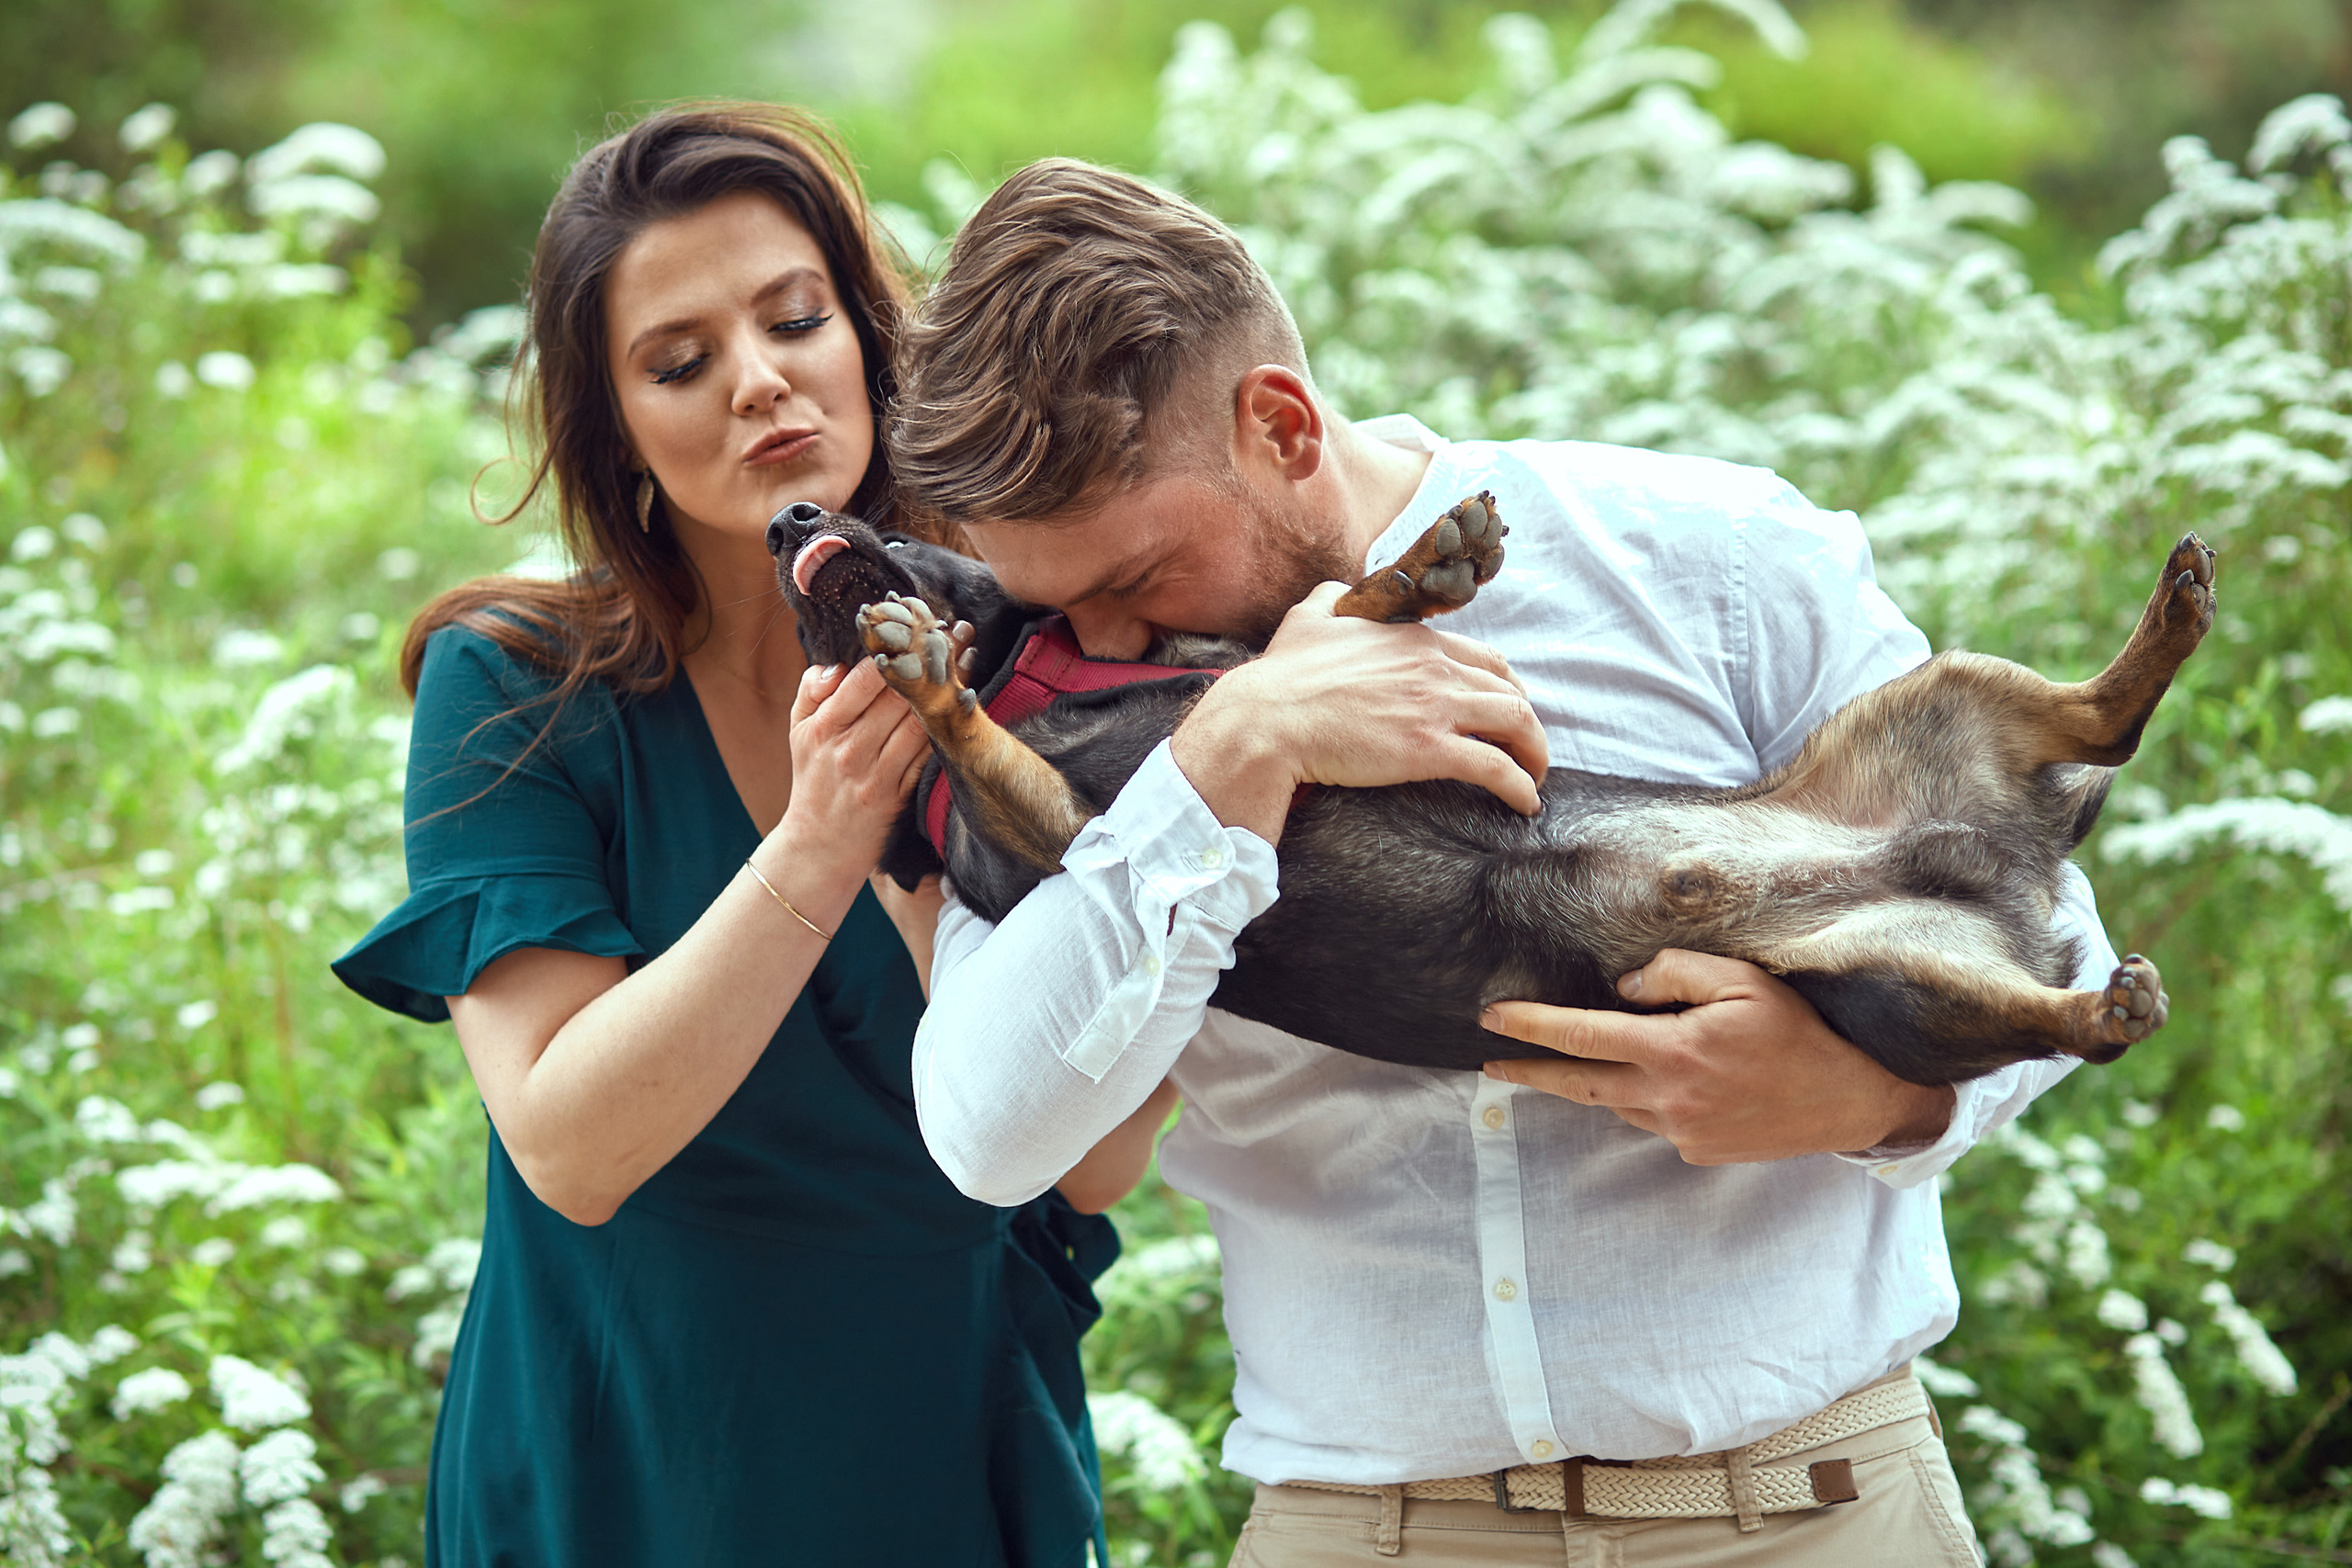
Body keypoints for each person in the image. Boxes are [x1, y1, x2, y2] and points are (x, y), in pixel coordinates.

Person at [884, 160, 2119, 1565]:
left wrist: (1877, 1094)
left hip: (1811, 1511)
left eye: (1133, 582)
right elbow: (991, 1134)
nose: (1103, 650)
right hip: (1363, 1531)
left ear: (1279, 424)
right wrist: (1233, 750)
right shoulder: (1077, 725)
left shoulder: (1699, 559)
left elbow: (2056, 922)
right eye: (1063, 607)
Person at [332, 110, 1166, 1567]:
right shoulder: (517, 686)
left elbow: (1088, 1164)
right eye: (680, 361)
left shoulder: (1041, 649)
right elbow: (569, 1147)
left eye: (796, 319)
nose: (759, 382)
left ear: (868, 336)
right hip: (631, 1462)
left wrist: (953, 795)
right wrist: (815, 849)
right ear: (618, 430)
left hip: (944, 1452)